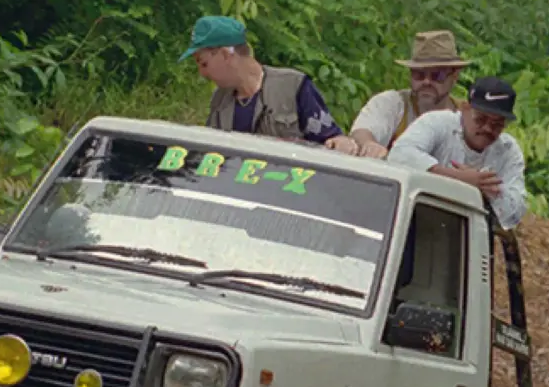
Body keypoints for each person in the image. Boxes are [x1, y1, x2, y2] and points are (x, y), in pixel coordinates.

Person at [180, 15, 359, 155]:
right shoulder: (219, 101)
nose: (202, 73)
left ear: (226, 55)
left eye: (203, 64)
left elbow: (330, 140)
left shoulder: (293, 86)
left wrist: (341, 143)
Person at [388, 76, 527, 231]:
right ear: (465, 109)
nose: (488, 128)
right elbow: (399, 154)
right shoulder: (438, 122)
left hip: (463, 236)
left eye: (497, 125)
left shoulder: (508, 150)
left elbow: (516, 212)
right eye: (481, 119)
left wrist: (488, 191)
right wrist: (458, 178)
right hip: (410, 222)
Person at [349, 30, 471, 159]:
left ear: (455, 76)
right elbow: (361, 132)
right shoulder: (393, 103)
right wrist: (369, 144)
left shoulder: (466, 116)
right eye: (419, 74)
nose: (426, 82)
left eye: (437, 76)